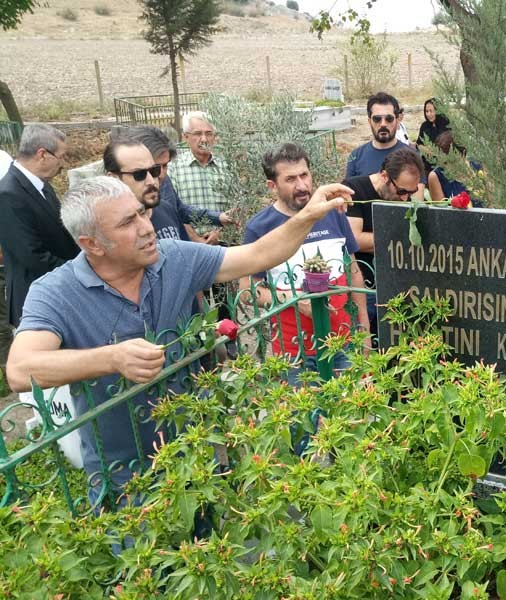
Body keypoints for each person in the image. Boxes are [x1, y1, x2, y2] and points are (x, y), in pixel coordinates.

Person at [5, 176, 353, 502]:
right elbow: (21, 370)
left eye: (141, 213)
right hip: (124, 475)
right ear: (92, 243)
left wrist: (307, 215)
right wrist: (112, 359)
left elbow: (258, 255)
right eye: (127, 223)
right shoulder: (55, 292)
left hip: (195, 453)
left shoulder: (173, 258)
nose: (146, 228)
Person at [242, 143, 369, 373]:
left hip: (343, 341)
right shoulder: (259, 228)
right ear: (272, 186)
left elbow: (353, 271)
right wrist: (291, 298)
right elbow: (248, 292)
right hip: (293, 351)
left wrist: (364, 327)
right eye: (290, 179)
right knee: (302, 409)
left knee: (347, 406)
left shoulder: (333, 214)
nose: (302, 186)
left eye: (304, 175)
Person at [0, 124, 79, 327]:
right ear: (42, 154)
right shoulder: (8, 194)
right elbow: (32, 256)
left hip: (58, 290)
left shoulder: (42, 185)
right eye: (61, 156)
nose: (63, 164)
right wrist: (80, 270)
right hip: (36, 301)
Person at [343, 148, 425, 340]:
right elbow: (353, 239)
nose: (406, 198)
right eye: (402, 191)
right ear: (384, 176)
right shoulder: (355, 190)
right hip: (367, 287)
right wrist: (398, 239)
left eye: (411, 192)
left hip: (398, 286)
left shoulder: (407, 195)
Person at [122, 126, 235, 242]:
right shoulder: (120, 222)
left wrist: (217, 218)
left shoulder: (165, 182)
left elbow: (179, 210)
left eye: (165, 166)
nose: (160, 175)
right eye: (154, 168)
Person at [345, 92, 425, 198]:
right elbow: (350, 198)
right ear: (369, 121)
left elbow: (417, 203)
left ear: (397, 121)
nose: (383, 124)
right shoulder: (356, 156)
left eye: (389, 119)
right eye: (377, 119)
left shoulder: (412, 156)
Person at [167, 111, 228, 241]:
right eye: (198, 134)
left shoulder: (227, 165)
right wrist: (195, 238)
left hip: (224, 243)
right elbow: (173, 209)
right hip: (189, 246)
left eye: (209, 133)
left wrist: (219, 234)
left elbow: (238, 205)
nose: (204, 139)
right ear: (185, 137)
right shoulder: (174, 167)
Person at [426, 131, 483, 206]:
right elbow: (441, 213)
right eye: (444, 162)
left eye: (452, 161)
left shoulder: (478, 168)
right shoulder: (436, 176)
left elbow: (492, 204)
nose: (447, 166)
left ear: (463, 154)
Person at [415, 98, 450, 170]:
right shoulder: (424, 126)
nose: (428, 114)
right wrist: (423, 148)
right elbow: (418, 143)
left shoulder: (447, 125)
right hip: (428, 165)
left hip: (445, 165)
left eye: (431, 111)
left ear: (438, 111)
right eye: (426, 111)